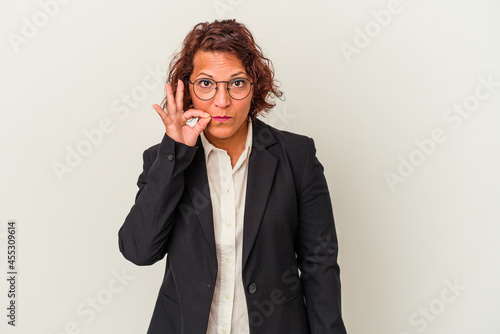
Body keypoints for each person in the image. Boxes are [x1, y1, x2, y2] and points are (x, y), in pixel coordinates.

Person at [118, 19, 347, 334]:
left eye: (236, 83)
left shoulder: (297, 156)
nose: (222, 101)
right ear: (187, 89)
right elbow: (139, 251)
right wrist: (176, 154)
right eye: (207, 83)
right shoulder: (163, 161)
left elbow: (319, 265)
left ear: (255, 87)